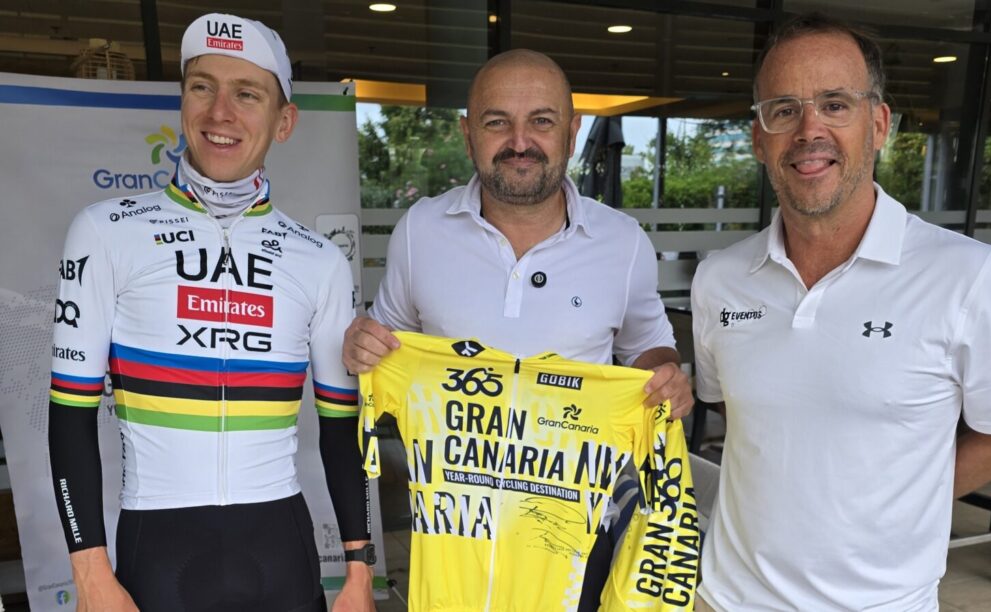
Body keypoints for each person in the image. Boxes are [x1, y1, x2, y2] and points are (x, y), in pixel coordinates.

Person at [691, 13, 991, 611]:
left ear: (878, 125)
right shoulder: (720, 280)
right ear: (759, 139)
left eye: (835, 104)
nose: (809, 130)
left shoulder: (971, 276)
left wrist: (907, 500)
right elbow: (736, 412)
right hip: (724, 600)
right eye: (784, 110)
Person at [342, 49, 693, 609]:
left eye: (542, 121)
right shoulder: (420, 230)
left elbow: (648, 347)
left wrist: (666, 376)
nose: (520, 141)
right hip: (452, 537)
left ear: (572, 133)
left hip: (573, 540)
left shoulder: (623, 242)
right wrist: (362, 345)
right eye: (497, 122)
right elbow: (387, 345)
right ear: (468, 134)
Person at [48, 13, 374, 612]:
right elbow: (70, 414)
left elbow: (340, 428)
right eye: (203, 87)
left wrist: (359, 569)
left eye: (246, 94)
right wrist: (89, 571)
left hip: (281, 549)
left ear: (283, 122)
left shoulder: (320, 260)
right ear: (182, 102)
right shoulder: (105, 232)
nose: (220, 112)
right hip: (158, 548)